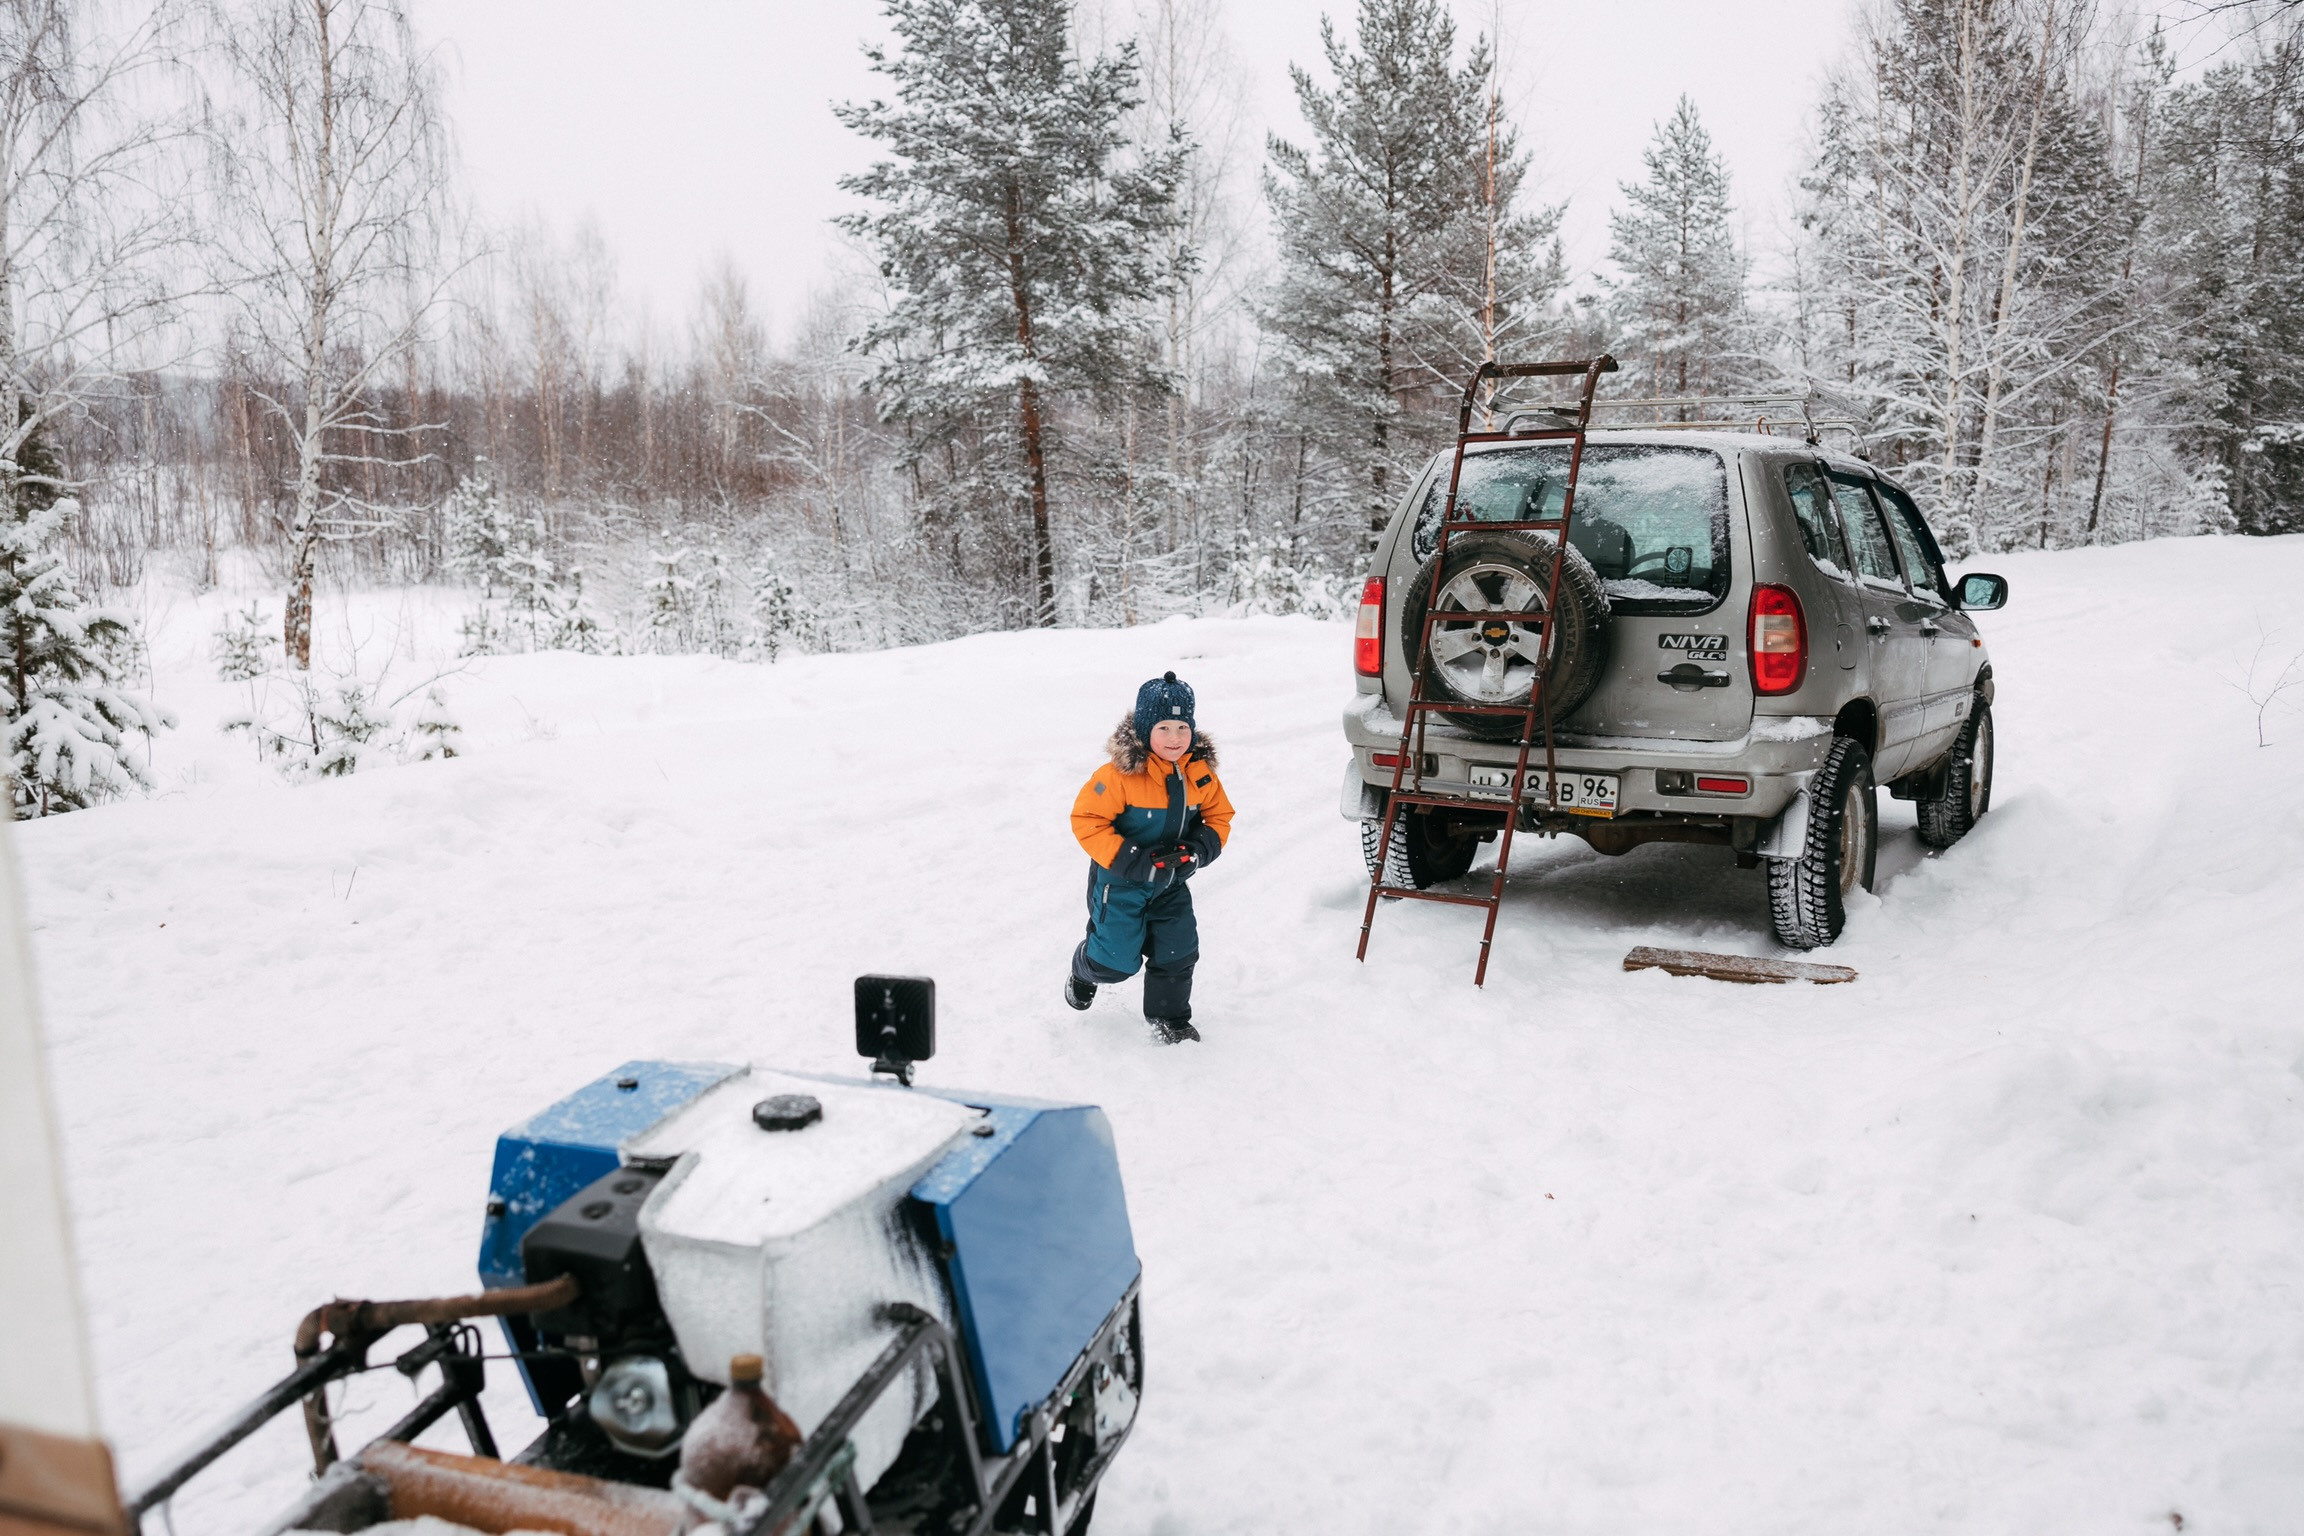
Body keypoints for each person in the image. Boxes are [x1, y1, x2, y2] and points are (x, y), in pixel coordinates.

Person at [1065, 672, 1234, 1044]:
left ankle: (1169, 1018)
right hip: (1121, 882)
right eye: (1163, 727)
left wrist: (1197, 851)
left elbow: (1220, 816)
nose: (1175, 738)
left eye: (1182, 727)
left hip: (1170, 883)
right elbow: (1087, 820)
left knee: (1178, 950)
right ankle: (1084, 967)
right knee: (1114, 963)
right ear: (1144, 729)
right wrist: (1134, 859)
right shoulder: (1118, 776)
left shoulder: (1199, 774)